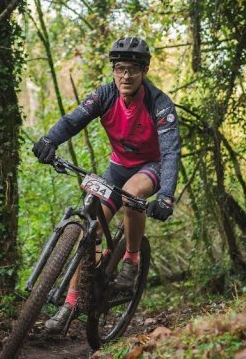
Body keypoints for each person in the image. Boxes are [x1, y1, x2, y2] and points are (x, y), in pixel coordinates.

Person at [31, 36, 181, 333]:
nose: (126, 76)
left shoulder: (160, 104)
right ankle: (70, 304)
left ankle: (132, 258)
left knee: (133, 194)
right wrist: (50, 140)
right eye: (120, 69)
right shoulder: (105, 95)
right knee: (91, 230)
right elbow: (73, 120)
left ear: (145, 70)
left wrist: (165, 195)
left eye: (133, 70)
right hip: (117, 167)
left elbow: (171, 151)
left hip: (151, 166)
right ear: (114, 70)